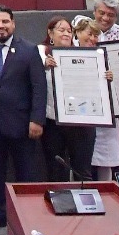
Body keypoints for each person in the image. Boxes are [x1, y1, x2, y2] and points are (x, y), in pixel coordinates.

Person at [0, 5, 46, 232]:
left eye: (5, 21)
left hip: (22, 125)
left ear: (13, 23)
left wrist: (37, 119)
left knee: (25, 174)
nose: (1, 26)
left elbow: (39, 87)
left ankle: (25, 218)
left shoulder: (28, 49)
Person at [71, 18, 119, 181]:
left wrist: (112, 78)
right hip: (79, 118)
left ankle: (106, 196)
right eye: (90, 34)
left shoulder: (104, 55)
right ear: (78, 33)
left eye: (96, 35)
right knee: (80, 163)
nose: (93, 39)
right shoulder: (66, 54)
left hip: (103, 121)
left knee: (105, 164)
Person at [37, 16, 79, 180]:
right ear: (50, 33)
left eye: (69, 31)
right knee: (55, 166)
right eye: (61, 30)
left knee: (80, 166)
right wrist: (44, 64)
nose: (66, 34)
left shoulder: (82, 53)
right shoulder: (42, 51)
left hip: (77, 119)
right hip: (52, 119)